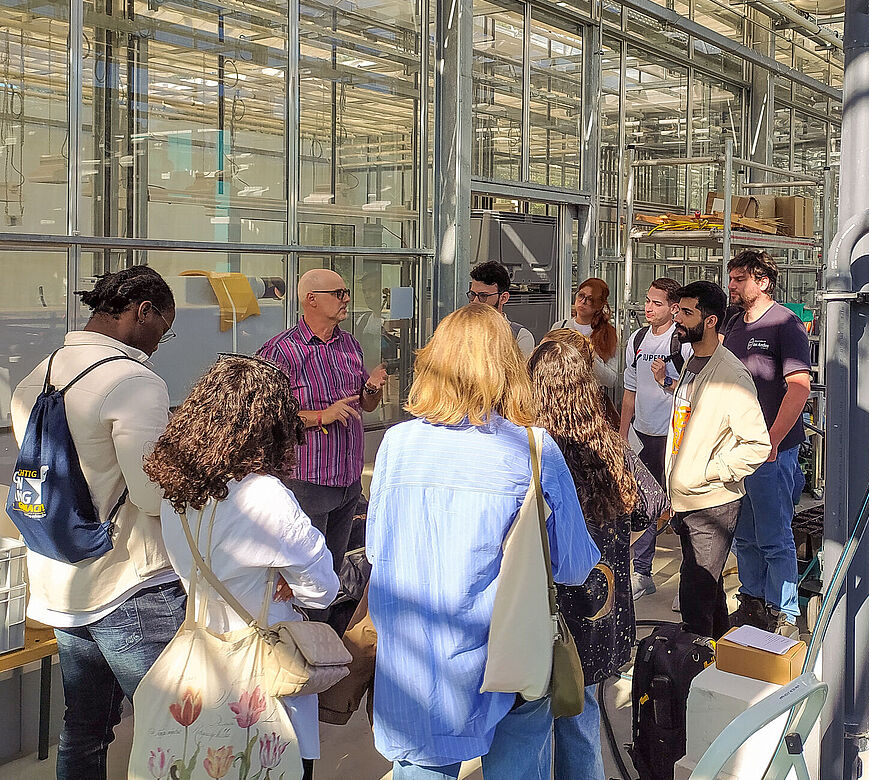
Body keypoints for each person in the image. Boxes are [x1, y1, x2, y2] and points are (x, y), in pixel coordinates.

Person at [366, 303, 600, 779]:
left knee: (419, 767)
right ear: (510, 369)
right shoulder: (532, 448)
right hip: (510, 651)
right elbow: (573, 564)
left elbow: (376, 548)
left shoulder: (397, 443)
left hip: (415, 656)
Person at [10, 265, 186, 780]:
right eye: (164, 327)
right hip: (129, 584)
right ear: (143, 311)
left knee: (84, 728)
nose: (161, 341)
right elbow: (153, 495)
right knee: (173, 725)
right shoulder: (135, 384)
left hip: (60, 578)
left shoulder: (36, 374)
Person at [145, 355, 338, 780]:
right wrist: (290, 582)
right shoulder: (264, 495)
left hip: (199, 653)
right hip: (266, 668)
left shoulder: (176, 488)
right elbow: (323, 587)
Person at [529, 340, 666, 780]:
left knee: (527, 726)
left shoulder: (525, 449)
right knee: (582, 719)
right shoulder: (609, 447)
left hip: (539, 611)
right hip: (596, 609)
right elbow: (654, 502)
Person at [257, 268, 388, 592]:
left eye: (346, 292)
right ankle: (296, 640)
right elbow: (262, 417)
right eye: (339, 293)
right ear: (311, 300)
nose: (346, 299)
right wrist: (320, 417)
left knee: (330, 578)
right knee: (299, 584)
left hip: (347, 482)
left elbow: (364, 406)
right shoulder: (280, 351)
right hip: (306, 482)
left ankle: (323, 637)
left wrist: (371, 389)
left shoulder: (350, 346)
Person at [662, 280, 770, 639]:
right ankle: (722, 662)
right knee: (709, 596)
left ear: (710, 321)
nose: (677, 318)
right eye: (677, 310)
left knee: (695, 597)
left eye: (687, 312)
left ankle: (692, 674)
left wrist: (709, 472)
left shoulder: (731, 375)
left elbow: (757, 445)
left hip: (712, 503)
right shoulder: (695, 361)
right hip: (686, 499)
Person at [722, 251, 813, 632]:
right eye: (731, 278)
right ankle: (752, 600)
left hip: (771, 450)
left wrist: (772, 441)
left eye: (740, 278)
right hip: (735, 447)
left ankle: (784, 612)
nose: (732, 285)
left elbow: (799, 389)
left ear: (763, 282)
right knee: (743, 532)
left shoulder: (785, 325)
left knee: (774, 534)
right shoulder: (732, 323)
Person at [618, 277, 691, 600]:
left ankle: (689, 579)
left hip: (675, 438)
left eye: (657, 303)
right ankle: (642, 572)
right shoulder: (637, 339)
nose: (648, 307)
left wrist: (665, 380)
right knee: (643, 505)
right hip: (643, 437)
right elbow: (629, 392)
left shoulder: (684, 344)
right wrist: (622, 434)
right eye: (647, 300)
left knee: (682, 507)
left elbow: (692, 393)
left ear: (674, 309)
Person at [551, 277, 620, 389]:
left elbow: (611, 379)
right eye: (581, 295)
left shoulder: (608, 334)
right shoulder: (560, 327)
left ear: (599, 305)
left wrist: (591, 358)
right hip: (561, 392)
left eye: (590, 299)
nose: (583, 302)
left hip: (591, 397)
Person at [469, 260, 536, 357]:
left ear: (503, 298)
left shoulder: (519, 336)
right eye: (472, 294)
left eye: (483, 296)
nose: (475, 301)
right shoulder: (461, 331)